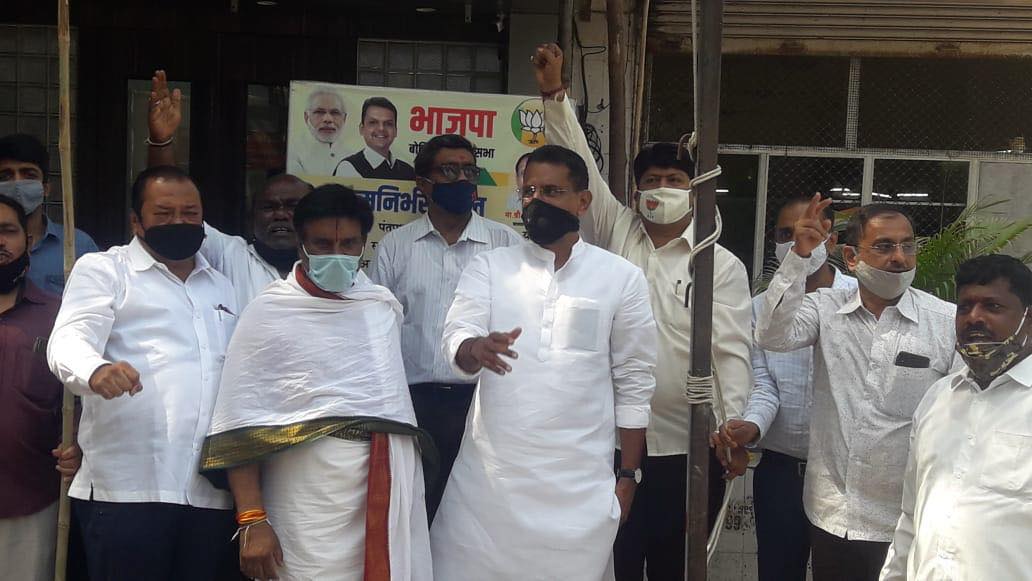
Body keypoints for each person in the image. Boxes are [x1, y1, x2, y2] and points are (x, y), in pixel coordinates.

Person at [535, 43, 753, 579]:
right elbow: (579, 164)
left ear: (697, 190)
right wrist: (554, 96)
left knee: (679, 565)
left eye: (675, 181)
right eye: (652, 181)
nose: (662, 190)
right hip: (611, 439)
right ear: (635, 190)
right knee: (616, 558)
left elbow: (730, 347)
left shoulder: (718, 263)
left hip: (688, 444)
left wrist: (733, 425)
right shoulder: (613, 229)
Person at [430, 144, 658, 580]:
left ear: (583, 201)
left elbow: (634, 380)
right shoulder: (491, 267)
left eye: (551, 191)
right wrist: (474, 348)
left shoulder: (620, 277)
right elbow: (455, 336)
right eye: (529, 191)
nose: (536, 201)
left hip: (579, 490)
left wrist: (628, 474)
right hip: (488, 489)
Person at [201, 185, 433, 581]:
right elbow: (238, 420)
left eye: (349, 244)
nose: (337, 254)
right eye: (323, 244)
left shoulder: (380, 306)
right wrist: (252, 519)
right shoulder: (270, 310)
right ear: (301, 245)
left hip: (384, 481)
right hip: (304, 490)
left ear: (364, 244)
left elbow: (390, 407)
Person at [47, 165, 239, 580]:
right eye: (164, 213)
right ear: (137, 221)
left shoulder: (223, 287)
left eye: (190, 213)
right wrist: (95, 370)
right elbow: (67, 340)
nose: (179, 222)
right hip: (128, 490)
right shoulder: (105, 270)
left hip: (210, 494)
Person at [755, 196, 958, 581]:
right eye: (883, 246)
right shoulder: (826, 308)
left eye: (907, 245)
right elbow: (772, 335)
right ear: (851, 257)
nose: (899, 257)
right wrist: (798, 257)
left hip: (907, 518)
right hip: (835, 515)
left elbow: (960, 417)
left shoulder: (944, 322)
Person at [369, 134, 522, 521]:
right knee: (416, 511)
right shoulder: (396, 246)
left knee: (478, 516)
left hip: (484, 404)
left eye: (469, 170)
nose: (461, 179)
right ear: (423, 184)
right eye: (449, 170)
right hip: (416, 404)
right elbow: (371, 325)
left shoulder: (504, 242)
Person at [713, 195, 857, 581]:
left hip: (846, 473)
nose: (798, 241)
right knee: (778, 571)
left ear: (830, 239)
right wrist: (752, 426)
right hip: (781, 471)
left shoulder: (859, 301)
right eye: (786, 234)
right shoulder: (761, 308)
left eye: (810, 231)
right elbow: (764, 383)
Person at [879, 254, 1032, 580]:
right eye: (964, 307)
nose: (973, 318)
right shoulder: (938, 398)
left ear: (1028, 319)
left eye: (993, 307)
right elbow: (911, 515)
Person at [146, 70, 313, 306]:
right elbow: (171, 203)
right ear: (250, 218)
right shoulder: (230, 255)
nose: (281, 214)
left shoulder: (330, 270)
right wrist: (161, 142)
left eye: (293, 206)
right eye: (269, 207)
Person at [0, 194, 79, 581]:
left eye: (7, 231)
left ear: (27, 241)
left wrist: (78, 443)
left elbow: (82, 401)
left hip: (31, 498)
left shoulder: (60, 315)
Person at [0, 133, 99, 294]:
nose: (17, 183)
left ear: (46, 188)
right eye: (6, 176)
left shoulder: (78, 246)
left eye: (29, 175)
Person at [334, 97, 416, 180]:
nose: (381, 128)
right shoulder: (348, 168)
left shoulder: (408, 171)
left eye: (388, 124)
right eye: (373, 122)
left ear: (395, 131)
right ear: (362, 129)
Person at [288, 87, 348, 176]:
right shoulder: (293, 152)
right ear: (306, 117)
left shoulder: (352, 154)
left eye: (335, 112)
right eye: (319, 112)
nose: (328, 119)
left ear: (344, 118)